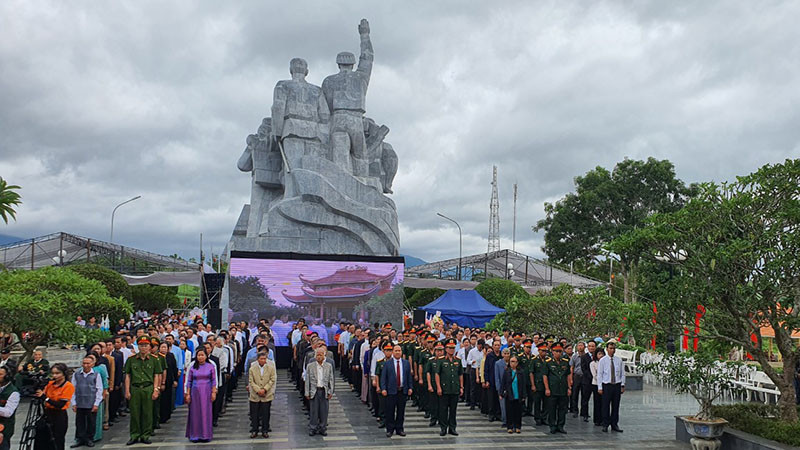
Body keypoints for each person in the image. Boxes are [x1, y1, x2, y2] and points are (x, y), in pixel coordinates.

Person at [321, 19, 373, 178]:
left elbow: (326, 107)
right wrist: (365, 36)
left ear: (338, 64)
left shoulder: (329, 81)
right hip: (356, 120)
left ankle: (342, 186)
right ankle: (362, 185)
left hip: (338, 119)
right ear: (353, 64)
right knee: (360, 156)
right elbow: (368, 58)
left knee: (340, 157)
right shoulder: (360, 77)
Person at [124, 336, 160, 446]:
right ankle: (134, 435)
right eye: (141, 345)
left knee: (147, 413)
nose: (143, 348)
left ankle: (145, 435)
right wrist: (127, 390)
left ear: (149, 347)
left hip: (148, 388)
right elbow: (128, 375)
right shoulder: (131, 359)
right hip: (135, 388)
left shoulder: (154, 359)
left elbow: (156, 375)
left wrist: (156, 389)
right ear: (138, 346)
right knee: (134, 412)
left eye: (145, 345)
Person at [38, 363, 74, 450]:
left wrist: (45, 398)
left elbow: (60, 405)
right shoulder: (50, 384)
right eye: (53, 373)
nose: (55, 375)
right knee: (44, 439)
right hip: (48, 413)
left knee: (57, 439)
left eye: (57, 373)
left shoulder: (68, 386)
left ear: (64, 374)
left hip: (59, 415)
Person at [70, 356, 103, 448]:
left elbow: (99, 389)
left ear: (92, 364)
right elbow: (73, 389)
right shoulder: (76, 374)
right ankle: (80, 438)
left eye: (88, 363)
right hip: (80, 402)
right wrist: (74, 403)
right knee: (79, 422)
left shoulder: (96, 375)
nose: (85, 365)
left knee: (91, 422)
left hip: (91, 402)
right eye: (84, 363)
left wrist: (96, 403)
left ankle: (89, 438)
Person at [380, 344, 412, 438]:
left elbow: (408, 377)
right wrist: (384, 389)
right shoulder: (387, 363)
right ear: (393, 352)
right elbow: (383, 378)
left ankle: (400, 429)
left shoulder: (406, 363)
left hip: (402, 390)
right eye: (396, 351)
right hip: (391, 391)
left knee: (401, 411)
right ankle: (390, 429)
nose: (398, 352)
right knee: (390, 411)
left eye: (399, 351)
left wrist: (410, 388)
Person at [435, 338, 463, 436]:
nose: (451, 350)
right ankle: (443, 428)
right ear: (446, 349)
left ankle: (452, 428)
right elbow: (437, 374)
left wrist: (461, 387)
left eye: (453, 348)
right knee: (443, 409)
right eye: (449, 348)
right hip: (444, 389)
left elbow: (460, 374)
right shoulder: (441, 360)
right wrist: (438, 387)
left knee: (453, 410)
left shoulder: (458, 361)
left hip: (454, 388)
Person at [305, 347, 334, 437]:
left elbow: (331, 380)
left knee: (324, 411)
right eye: (317, 355)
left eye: (321, 354)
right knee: (314, 411)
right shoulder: (310, 366)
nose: (319, 356)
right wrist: (307, 392)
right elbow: (307, 380)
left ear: (324, 355)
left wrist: (330, 392)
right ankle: (313, 428)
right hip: (314, 391)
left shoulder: (328, 366)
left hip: (324, 390)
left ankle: (322, 428)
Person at [543, 342, 571, 435]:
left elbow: (568, 375)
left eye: (560, 351)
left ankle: (560, 426)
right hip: (552, 389)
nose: (558, 353)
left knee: (562, 409)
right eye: (556, 351)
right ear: (552, 351)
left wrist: (569, 387)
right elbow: (545, 376)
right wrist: (547, 388)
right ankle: (552, 426)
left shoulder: (565, 362)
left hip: (562, 389)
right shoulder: (548, 362)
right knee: (552, 408)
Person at [597, 340, 625, 433]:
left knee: (615, 405)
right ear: (607, 349)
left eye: (613, 348)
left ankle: (614, 424)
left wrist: (622, 385)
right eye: (610, 348)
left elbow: (622, 373)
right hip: (606, 385)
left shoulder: (619, 360)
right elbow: (600, 374)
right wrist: (600, 387)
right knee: (605, 406)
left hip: (616, 385)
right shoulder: (603, 360)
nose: (612, 350)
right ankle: (605, 424)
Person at [247, 352, 276, 439]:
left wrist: (265, 389)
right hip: (255, 395)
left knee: (265, 413)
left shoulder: (271, 368)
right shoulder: (252, 368)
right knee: (254, 414)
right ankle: (254, 430)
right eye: (261, 359)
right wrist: (258, 390)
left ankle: (265, 430)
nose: (263, 360)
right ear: (257, 359)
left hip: (266, 394)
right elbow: (251, 381)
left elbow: (272, 379)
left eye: (264, 359)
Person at [500, 355, 527, 433]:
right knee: (509, 411)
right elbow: (503, 383)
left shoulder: (521, 372)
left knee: (518, 412)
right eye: (511, 361)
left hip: (518, 394)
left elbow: (523, 384)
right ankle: (510, 427)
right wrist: (501, 393)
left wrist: (524, 395)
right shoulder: (507, 371)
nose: (513, 363)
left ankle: (518, 426)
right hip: (509, 394)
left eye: (515, 362)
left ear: (517, 363)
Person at [0, 366, 20, 450]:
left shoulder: (14, 393)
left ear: (7, 376)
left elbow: (8, 412)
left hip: (4, 429)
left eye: (0, 374)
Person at [158, 343, 178, 424]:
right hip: (159, 381)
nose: (163, 349)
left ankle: (166, 416)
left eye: (165, 347)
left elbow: (174, 368)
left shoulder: (171, 356)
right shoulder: (157, 357)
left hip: (169, 380)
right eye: (162, 347)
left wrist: (175, 380)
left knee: (168, 398)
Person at [580, 341, 596, 422]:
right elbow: (584, 369)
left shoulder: (598, 357)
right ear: (587, 347)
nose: (591, 348)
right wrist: (592, 376)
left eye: (593, 346)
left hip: (596, 382)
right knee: (585, 398)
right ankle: (584, 414)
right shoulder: (584, 357)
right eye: (590, 346)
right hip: (587, 381)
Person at [494, 348, 510, 427]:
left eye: (508, 354)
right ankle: (504, 421)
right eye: (505, 353)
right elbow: (497, 377)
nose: (506, 355)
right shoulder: (498, 363)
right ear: (502, 354)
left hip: (511, 387)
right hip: (502, 387)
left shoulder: (512, 362)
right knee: (503, 406)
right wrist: (499, 389)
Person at [590, 347, 605, 426]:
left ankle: (603, 419)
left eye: (602, 354)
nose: (601, 355)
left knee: (604, 403)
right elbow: (595, 375)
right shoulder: (593, 364)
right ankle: (597, 419)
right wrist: (601, 380)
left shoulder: (605, 362)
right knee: (597, 402)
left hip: (605, 384)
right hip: (596, 384)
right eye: (599, 354)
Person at [569, 342, 585, 417]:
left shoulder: (587, 356)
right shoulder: (574, 356)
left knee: (584, 394)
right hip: (576, 376)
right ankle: (575, 410)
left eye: (582, 345)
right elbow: (571, 367)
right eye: (579, 346)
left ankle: (584, 411)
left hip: (585, 376)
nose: (580, 347)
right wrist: (571, 378)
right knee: (575, 394)